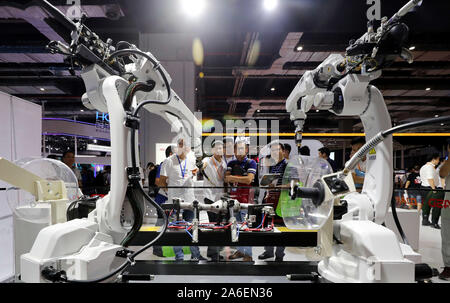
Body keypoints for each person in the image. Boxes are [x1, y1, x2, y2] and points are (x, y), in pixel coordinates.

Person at [159, 138, 206, 261]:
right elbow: (162, 181)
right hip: (175, 203)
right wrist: (170, 193)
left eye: (186, 145)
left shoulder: (192, 160)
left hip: (190, 201)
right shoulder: (168, 161)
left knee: (193, 228)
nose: (183, 147)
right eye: (181, 144)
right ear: (178, 146)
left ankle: (196, 255)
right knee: (175, 230)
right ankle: (179, 256)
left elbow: (193, 172)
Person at [225, 139, 257, 262]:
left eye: (242, 149)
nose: (239, 151)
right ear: (234, 150)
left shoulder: (251, 163)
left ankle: (248, 254)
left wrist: (233, 177)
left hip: (246, 200)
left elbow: (249, 180)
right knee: (236, 227)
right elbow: (226, 178)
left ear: (247, 150)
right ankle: (240, 251)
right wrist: (241, 177)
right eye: (237, 149)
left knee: (246, 228)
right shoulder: (231, 163)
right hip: (233, 200)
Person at [258, 142, 287, 262]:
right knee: (268, 225)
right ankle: (268, 251)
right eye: (273, 150)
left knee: (281, 228)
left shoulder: (288, 165)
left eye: (277, 150)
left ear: (283, 151)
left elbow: (294, 183)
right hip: (269, 198)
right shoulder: (271, 165)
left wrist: (277, 187)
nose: (275, 152)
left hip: (282, 201)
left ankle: (279, 254)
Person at [200, 140, 227, 261]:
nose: (219, 150)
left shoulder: (224, 162)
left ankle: (213, 251)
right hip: (210, 197)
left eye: (221, 148)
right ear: (212, 150)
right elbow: (202, 165)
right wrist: (200, 166)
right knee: (213, 225)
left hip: (221, 196)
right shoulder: (208, 160)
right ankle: (214, 253)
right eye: (216, 148)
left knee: (219, 224)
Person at [420, 153, 443, 229]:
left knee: (426, 205)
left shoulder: (423, 167)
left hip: (423, 187)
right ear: (433, 159)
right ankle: (434, 223)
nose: (438, 161)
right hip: (430, 188)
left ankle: (425, 220)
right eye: (438, 159)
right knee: (437, 205)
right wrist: (434, 189)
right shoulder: (430, 167)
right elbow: (430, 178)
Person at [437, 140, 450, 280]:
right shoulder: (447, 163)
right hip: (449, 204)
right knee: (447, 235)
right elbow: (442, 174)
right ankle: (449, 267)